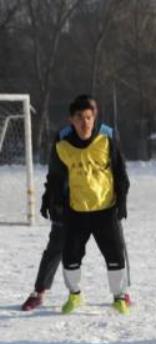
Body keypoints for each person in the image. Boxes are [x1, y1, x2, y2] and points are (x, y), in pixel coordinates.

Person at [44, 94, 131, 315]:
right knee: (70, 257)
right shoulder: (62, 142)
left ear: (95, 118)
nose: (85, 123)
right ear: (71, 120)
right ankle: (75, 295)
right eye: (80, 118)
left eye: (89, 117)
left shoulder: (107, 137)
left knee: (115, 256)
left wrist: (122, 199)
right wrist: (49, 198)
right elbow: (55, 175)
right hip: (76, 210)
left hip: (105, 209)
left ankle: (119, 297)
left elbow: (120, 171)